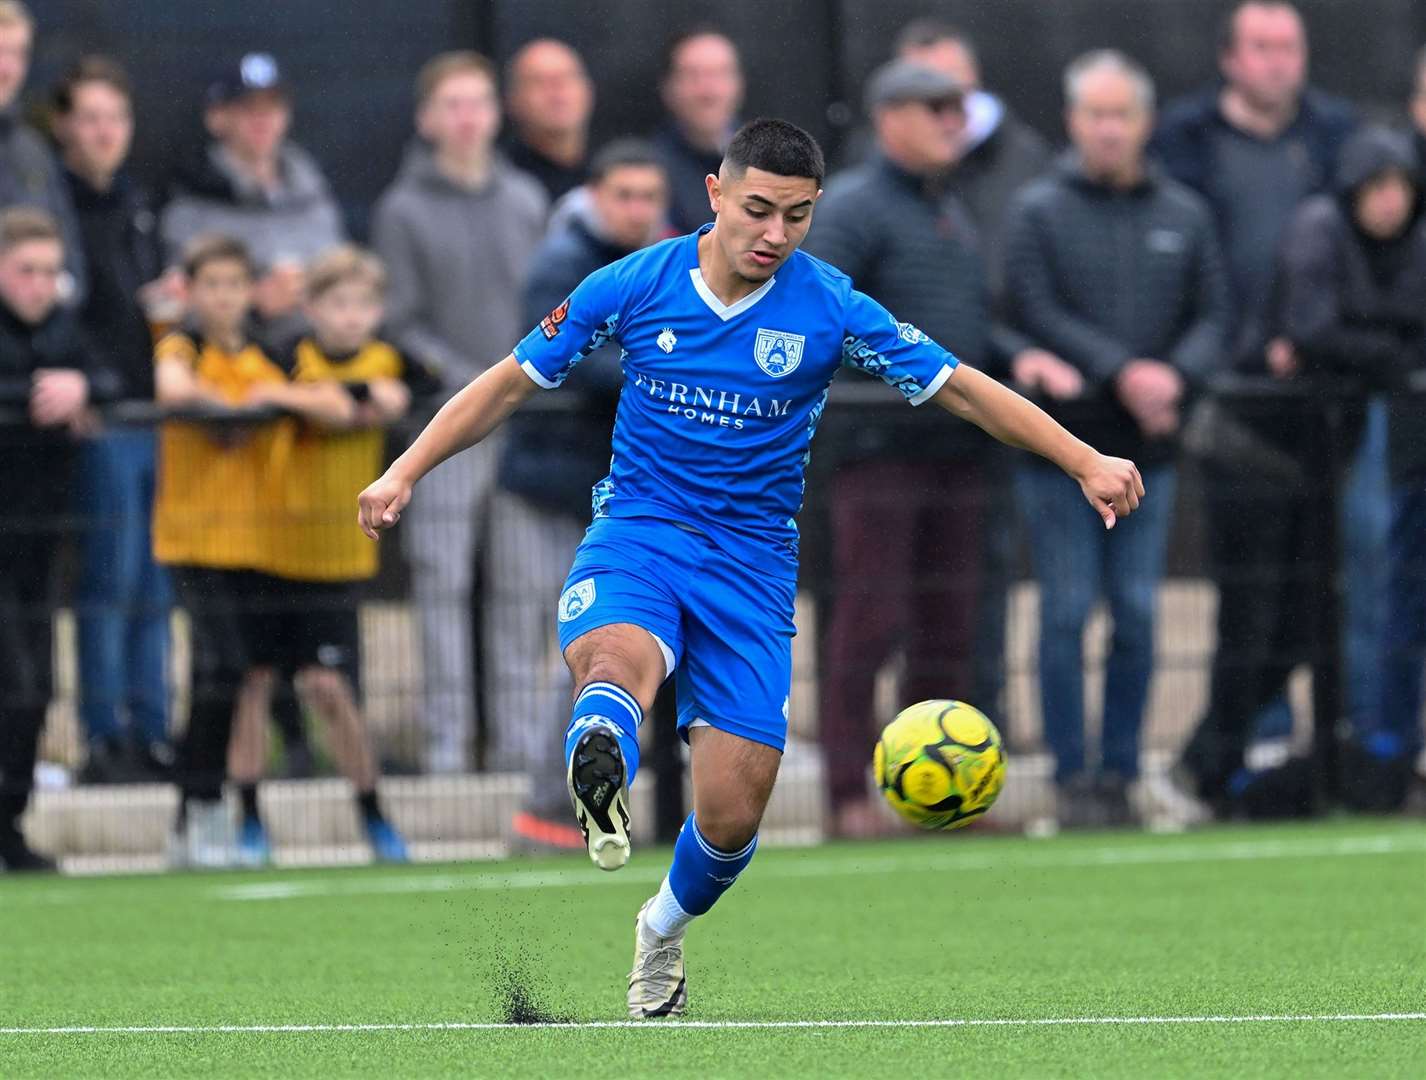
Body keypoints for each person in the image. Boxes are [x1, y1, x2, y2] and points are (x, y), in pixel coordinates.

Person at [358, 118, 1143, 1017]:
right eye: (759, 209)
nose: (775, 234)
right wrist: (404, 468)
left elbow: (961, 385)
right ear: (716, 194)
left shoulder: (831, 305)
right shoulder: (634, 281)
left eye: (797, 216)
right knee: (615, 661)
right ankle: (600, 744)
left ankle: (658, 931)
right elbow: (507, 380)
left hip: (753, 569)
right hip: (641, 535)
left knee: (732, 819)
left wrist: (1084, 458)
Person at [1151, 1, 1370, 797]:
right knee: (1249, 609)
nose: (1279, 61)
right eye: (1263, 47)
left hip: (1324, 412)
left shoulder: (1335, 135)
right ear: (1230, 58)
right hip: (1230, 410)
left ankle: (1288, 765)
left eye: (1290, 46)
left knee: (1318, 609)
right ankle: (1216, 766)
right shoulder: (1184, 140)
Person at [1004, 51, 1229, 828]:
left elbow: (1214, 316)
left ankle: (1123, 773)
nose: (1107, 128)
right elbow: (1028, 309)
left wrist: (1174, 376)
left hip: (1151, 456)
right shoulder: (1037, 210)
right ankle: (1074, 781)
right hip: (1060, 457)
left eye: (1120, 114)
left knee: (1137, 614)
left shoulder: (1185, 213)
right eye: (1093, 114)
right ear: (1073, 122)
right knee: (1065, 613)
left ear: (1145, 122)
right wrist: (1121, 371)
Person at [802, 61, 993, 838]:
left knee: (950, 623)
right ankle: (849, 793)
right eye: (936, 108)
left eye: (959, 109)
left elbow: (962, 324)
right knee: (868, 619)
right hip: (876, 449)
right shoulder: (851, 207)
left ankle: (938, 801)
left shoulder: (952, 207)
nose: (954, 122)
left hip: (956, 448)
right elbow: (818, 313)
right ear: (889, 118)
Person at [1219, 127, 1425, 813]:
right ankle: (1226, 764)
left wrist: (1359, 345)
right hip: (1259, 451)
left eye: (1402, 188)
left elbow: (1339, 334)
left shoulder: (1406, 247)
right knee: (1265, 617)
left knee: (1347, 601)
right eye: (1379, 188)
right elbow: (1313, 328)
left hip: (1334, 453)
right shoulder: (1318, 230)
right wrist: (1390, 352)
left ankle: (1367, 752)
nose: (1392, 202)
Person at [152, 234, 352, 867]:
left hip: (258, 542)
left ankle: (203, 813)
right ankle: (196, 809)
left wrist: (271, 401)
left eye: (234, 285)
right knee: (218, 671)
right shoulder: (184, 344)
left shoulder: (271, 354)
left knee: (232, 675)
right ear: (191, 292)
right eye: (210, 285)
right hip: (195, 537)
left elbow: (336, 403)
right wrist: (230, 415)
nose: (223, 298)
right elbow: (173, 389)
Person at [372, 51, 547, 773]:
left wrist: (523, 379)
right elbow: (400, 321)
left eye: (479, 101)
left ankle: (519, 748)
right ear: (427, 119)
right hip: (445, 427)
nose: (468, 117)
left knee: (526, 586)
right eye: (454, 104)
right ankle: (447, 748)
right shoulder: (401, 210)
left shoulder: (527, 200)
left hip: (528, 420)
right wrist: (466, 379)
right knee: (441, 582)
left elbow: (553, 310)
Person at [228, 245, 432, 864]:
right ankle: (248, 822)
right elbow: (259, 393)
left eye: (362, 304)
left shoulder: (392, 357)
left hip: (340, 553)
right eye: (335, 303)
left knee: (328, 686)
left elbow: (420, 391)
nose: (349, 316)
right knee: (254, 683)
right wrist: (340, 399)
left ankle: (373, 815)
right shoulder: (286, 350)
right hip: (268, 546)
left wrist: (366, 395)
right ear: (311, 306)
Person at [499, 140, 669, 848]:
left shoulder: (659, 267)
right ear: (594, 195)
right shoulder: (564, 266)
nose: (637, 209)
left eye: (648, 196)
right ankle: (542, 806)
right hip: (547, 489)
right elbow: (564, 360)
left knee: (605, 649)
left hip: (608, 497)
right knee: (561, 650)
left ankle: (566, 800)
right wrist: (658, 366)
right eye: (623, 194)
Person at [52, 56, 177, 783]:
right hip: (106, 419)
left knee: (158, 585)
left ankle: (152, 731)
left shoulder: (138, 204)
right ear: (66, 125)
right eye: (91, 118)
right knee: (112, 578)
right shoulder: (62, 208)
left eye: (116, 118)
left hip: (155, 413)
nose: (104, 132)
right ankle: (104, 736)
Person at [0, 208, 101, 871]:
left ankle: (9, 821)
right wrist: (32, 395)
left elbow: (122, 378)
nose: (38, 284)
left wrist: (84, 386)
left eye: (48, 272)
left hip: (38, 542)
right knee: (13, 678)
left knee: (34, 688)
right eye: (24, 270)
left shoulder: (67, 332)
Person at [161, 52, 346, 339]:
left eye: (273, 106)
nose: (263, 119)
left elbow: (348, 281)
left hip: (327, 361)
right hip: (237, 369)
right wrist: (253, 303)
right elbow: (176, 313)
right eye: (247, 108)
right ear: (216, 118)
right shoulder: (190, 211)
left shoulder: (315, 197)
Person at [0, 1, 84, 297]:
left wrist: (51, 290)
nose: (7, 68)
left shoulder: (33, 150)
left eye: (18, 53)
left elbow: (72, 267)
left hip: (35, 339)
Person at [652, 27, 743, 234]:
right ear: (668, 88)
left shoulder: (766, 160)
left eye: (719, 74)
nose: (708, 91)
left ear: (738, 84)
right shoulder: (651, 173)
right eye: (693, 76)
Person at [501, 38, 594, 203]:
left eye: (567, 78)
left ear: (588, 91)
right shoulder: (500, 183)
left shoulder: (613, 173)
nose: (557, 93)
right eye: (539, 82)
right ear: (512, 100)